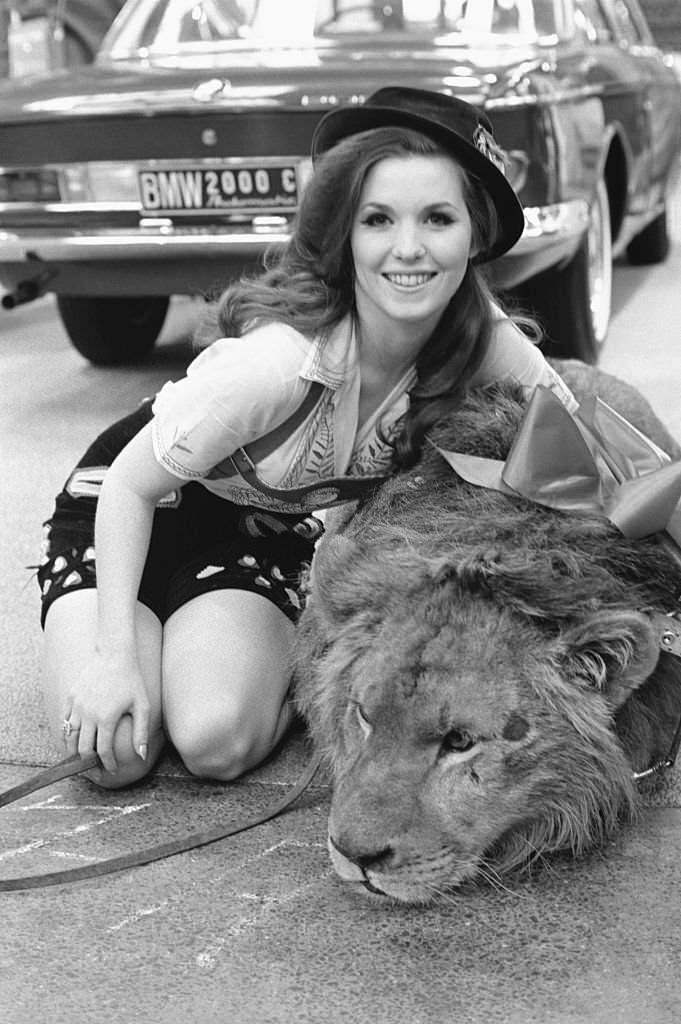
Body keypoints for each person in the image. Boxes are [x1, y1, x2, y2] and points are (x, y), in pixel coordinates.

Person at [38, 86, 577, 789]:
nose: (407, 248)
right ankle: (125, 637)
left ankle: (209, 655)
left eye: (437, 218)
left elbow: (590, 449)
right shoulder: (277, 362)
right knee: (115, 758)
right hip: (124, 506)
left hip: (256, 531)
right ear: (344, 235)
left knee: (214, 744)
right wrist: (114, 660)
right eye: (377, 219)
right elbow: (132, 485)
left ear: (474, 235)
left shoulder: (484, 344)